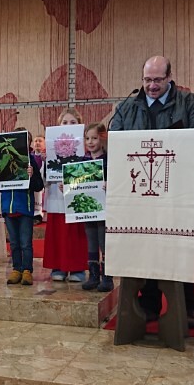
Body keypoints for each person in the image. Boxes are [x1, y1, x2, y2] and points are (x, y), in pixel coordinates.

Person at [109, 55, 194, 329]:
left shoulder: (189, 103)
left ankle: (186, 306)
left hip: (176, 192)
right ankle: (149, 303)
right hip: (138, 193)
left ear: (169, 78)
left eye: (157, 80)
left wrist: (174, 142)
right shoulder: (127, 107)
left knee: (179, 247)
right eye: (147, 80)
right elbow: (115, 141)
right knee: (144, 247)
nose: (152, 86)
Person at [0, 128, 43, 286]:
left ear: (28, 143)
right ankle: (16, 269)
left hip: (25, 208)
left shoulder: (30, 161)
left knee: (25, 242)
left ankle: (27, 270)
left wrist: (32, 175)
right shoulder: (3, 158)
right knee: (14, 242)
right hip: (8, 208)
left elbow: (39, 186)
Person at [43, 109, 87, 283]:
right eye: (65, 122)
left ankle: (77, 267)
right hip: (56, 195)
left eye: (73, 122)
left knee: (76, 234)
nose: (69, 125)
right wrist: (46, 162)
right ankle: (58, 266)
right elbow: (44, 179)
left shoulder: (84, 150)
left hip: (76, 197)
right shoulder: (51, 149)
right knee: (58, 234)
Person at [81, 122, 113, 292]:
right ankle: (93, 276)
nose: (90, 142)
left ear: (102, 139)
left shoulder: (109, 161)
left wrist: (110, 184)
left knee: (104, 241)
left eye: (94, 138)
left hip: (105, 208)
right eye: (87, 138)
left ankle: (107, 277)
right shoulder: (82, 161)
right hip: (88, 209)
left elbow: (118, 180)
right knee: (92, 241)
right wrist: (67, 187)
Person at [31, 135, 46, 223]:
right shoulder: (30, 157)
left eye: (40, 141)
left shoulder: (48, 156)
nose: (37, 143)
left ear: (45, 144)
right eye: (35, 141)